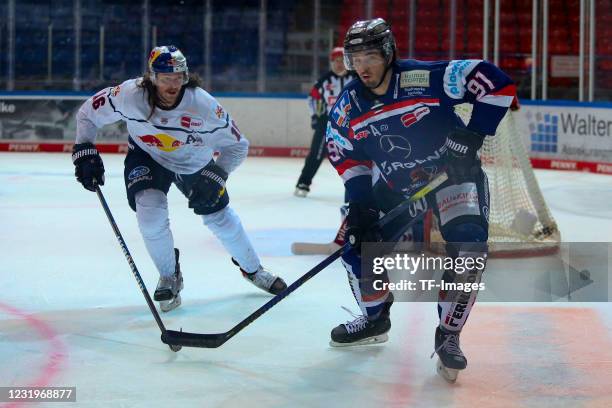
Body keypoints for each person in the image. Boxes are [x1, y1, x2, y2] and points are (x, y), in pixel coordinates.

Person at [325, 19, 515, 382]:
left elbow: (496, 82)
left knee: (470, 250)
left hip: (452, 176)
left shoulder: (423, 78)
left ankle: (448, 335)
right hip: (397, 185)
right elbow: (344, 154)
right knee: (356, 246)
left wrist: (471, 134)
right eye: (354, 58)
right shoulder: (348, 106)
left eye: (369, 56)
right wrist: (361, 202)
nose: (362, 67)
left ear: (388, 53)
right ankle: (374, 318)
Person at [71, 45, 287, 312]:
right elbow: (88, 114)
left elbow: (238, 145)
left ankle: (253, 270)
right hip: (147, 156)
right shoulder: (129, 95)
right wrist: (84, 150)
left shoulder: (203, 105)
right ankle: (169, 275)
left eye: (178, 77)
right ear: (152, 77)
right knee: (149, 213)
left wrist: (217, 174)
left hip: (193, 161)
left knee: (219, 217)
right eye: (166, 78)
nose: (173, 85)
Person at [294, 47, 356, 197]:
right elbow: (312, 99)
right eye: (336, 61)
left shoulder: (356, 78)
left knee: (357, 155)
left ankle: (357, 187)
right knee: (316, 153)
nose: (339, 64)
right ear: (331, 62)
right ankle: (303, 182)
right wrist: (315, 116)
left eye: (342, 61)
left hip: (352, 122)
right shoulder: (323, 80)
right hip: (328, 122)